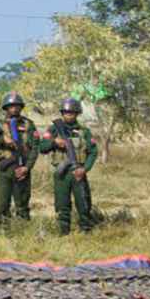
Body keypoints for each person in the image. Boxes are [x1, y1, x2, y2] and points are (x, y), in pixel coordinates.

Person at [40, 97, 99, 235]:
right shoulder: (54, 129)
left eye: (72, 112)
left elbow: (93, 152)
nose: (68, 114)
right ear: (62, 113)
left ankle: (86, 230)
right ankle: (63, 231)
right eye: (66, 112)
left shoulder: (84, 131)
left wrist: (84, 169)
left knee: (84, 204)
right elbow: (42, 147)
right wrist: (54, 142)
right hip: (62, 174)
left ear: (77, 113)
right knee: (62, 204)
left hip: (78, 172)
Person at [0, 92, 36, 221]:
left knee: (22, 203)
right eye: (11, 106)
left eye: (17, 106)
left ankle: (23, 229)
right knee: (2, 203)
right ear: (6, 108)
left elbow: (35, 148)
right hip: (5, 167)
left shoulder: (28, 124)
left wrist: (27, 167)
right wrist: (2, 140)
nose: (14, 108)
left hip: (22, 166)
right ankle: (4, 229)